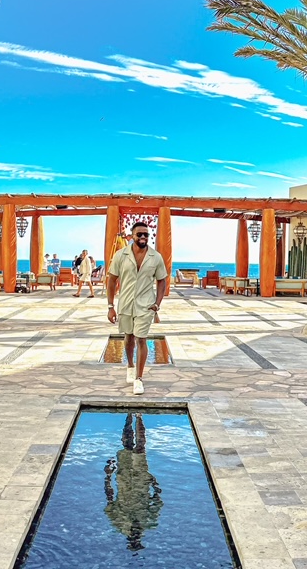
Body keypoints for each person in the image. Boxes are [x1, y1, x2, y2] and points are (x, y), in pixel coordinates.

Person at [107, 221, 167, 395]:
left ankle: (139, 379)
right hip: (125, 303)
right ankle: (130, 366)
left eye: (146, 235)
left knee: (141, 338)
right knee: (129, 337)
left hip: (145, 305)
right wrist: (110, 306)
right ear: (132, 236)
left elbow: (161, 280)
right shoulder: (120, 255)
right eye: (139, 234)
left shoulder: (156, 257)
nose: (142, 237)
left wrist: (157, 303)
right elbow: (111, 280)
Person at [104, 413, 163, 553]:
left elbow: (110, 499)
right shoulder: (149, 522)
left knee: (127, 445)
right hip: (140, 482)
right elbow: (157, 502)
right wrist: (154, 484)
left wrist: (108, 477)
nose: (135, 537)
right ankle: (137, 417)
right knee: (138, 448)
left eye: (133, 540)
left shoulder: (118, 523)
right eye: (136, 540)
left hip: (124, 480)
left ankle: (132, 416)